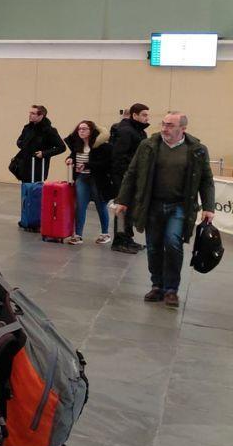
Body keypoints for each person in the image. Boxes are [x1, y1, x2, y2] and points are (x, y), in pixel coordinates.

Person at [115, 111, 215, 308]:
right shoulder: (148, 146)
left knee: (172, 243)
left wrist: (209, 207)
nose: (164, 128)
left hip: (180, 206)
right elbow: (132, 173)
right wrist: (122, 200)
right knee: (153, 246)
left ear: (183, 129)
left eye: (170, 125)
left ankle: (171, 290)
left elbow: (206, 180)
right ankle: (157, 285)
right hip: (152, 205)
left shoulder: (196, 149)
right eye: (163, 124)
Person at [64, 120, 114, 246]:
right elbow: (74, 155)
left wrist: (87, 165)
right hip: (82, 178)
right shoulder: (77, 145)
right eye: (80, 129)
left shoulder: (101, 145)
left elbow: (106, 164)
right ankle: (78, 235)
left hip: (97, 179)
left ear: (91, 131)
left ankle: (105, 233)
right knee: (80, 206)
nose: (81, 131)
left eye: (85, 129)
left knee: (100, 205)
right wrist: (70, 159)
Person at [109, 103, 151, 253]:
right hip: (124, 178)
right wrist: (125, 177)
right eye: (144, 115)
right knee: (121, 209)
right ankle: (119, 240)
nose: (147, 118)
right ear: (135, 115)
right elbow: (118, 156)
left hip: (133, 177)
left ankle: (127, 238)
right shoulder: (127, 131)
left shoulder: (138, 131)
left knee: (130, 209)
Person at [13, 104, 65, 184]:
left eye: (33, 113)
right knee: (25, 192)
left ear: (41, 116)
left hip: (38, 166)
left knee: (36, 191)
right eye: (30, 113)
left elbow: (62, 147)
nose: (30, 115)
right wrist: (23, 145)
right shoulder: (27, 128)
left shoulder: (49, 131)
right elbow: (19, 141)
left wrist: (44, 153)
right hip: (25, 165)